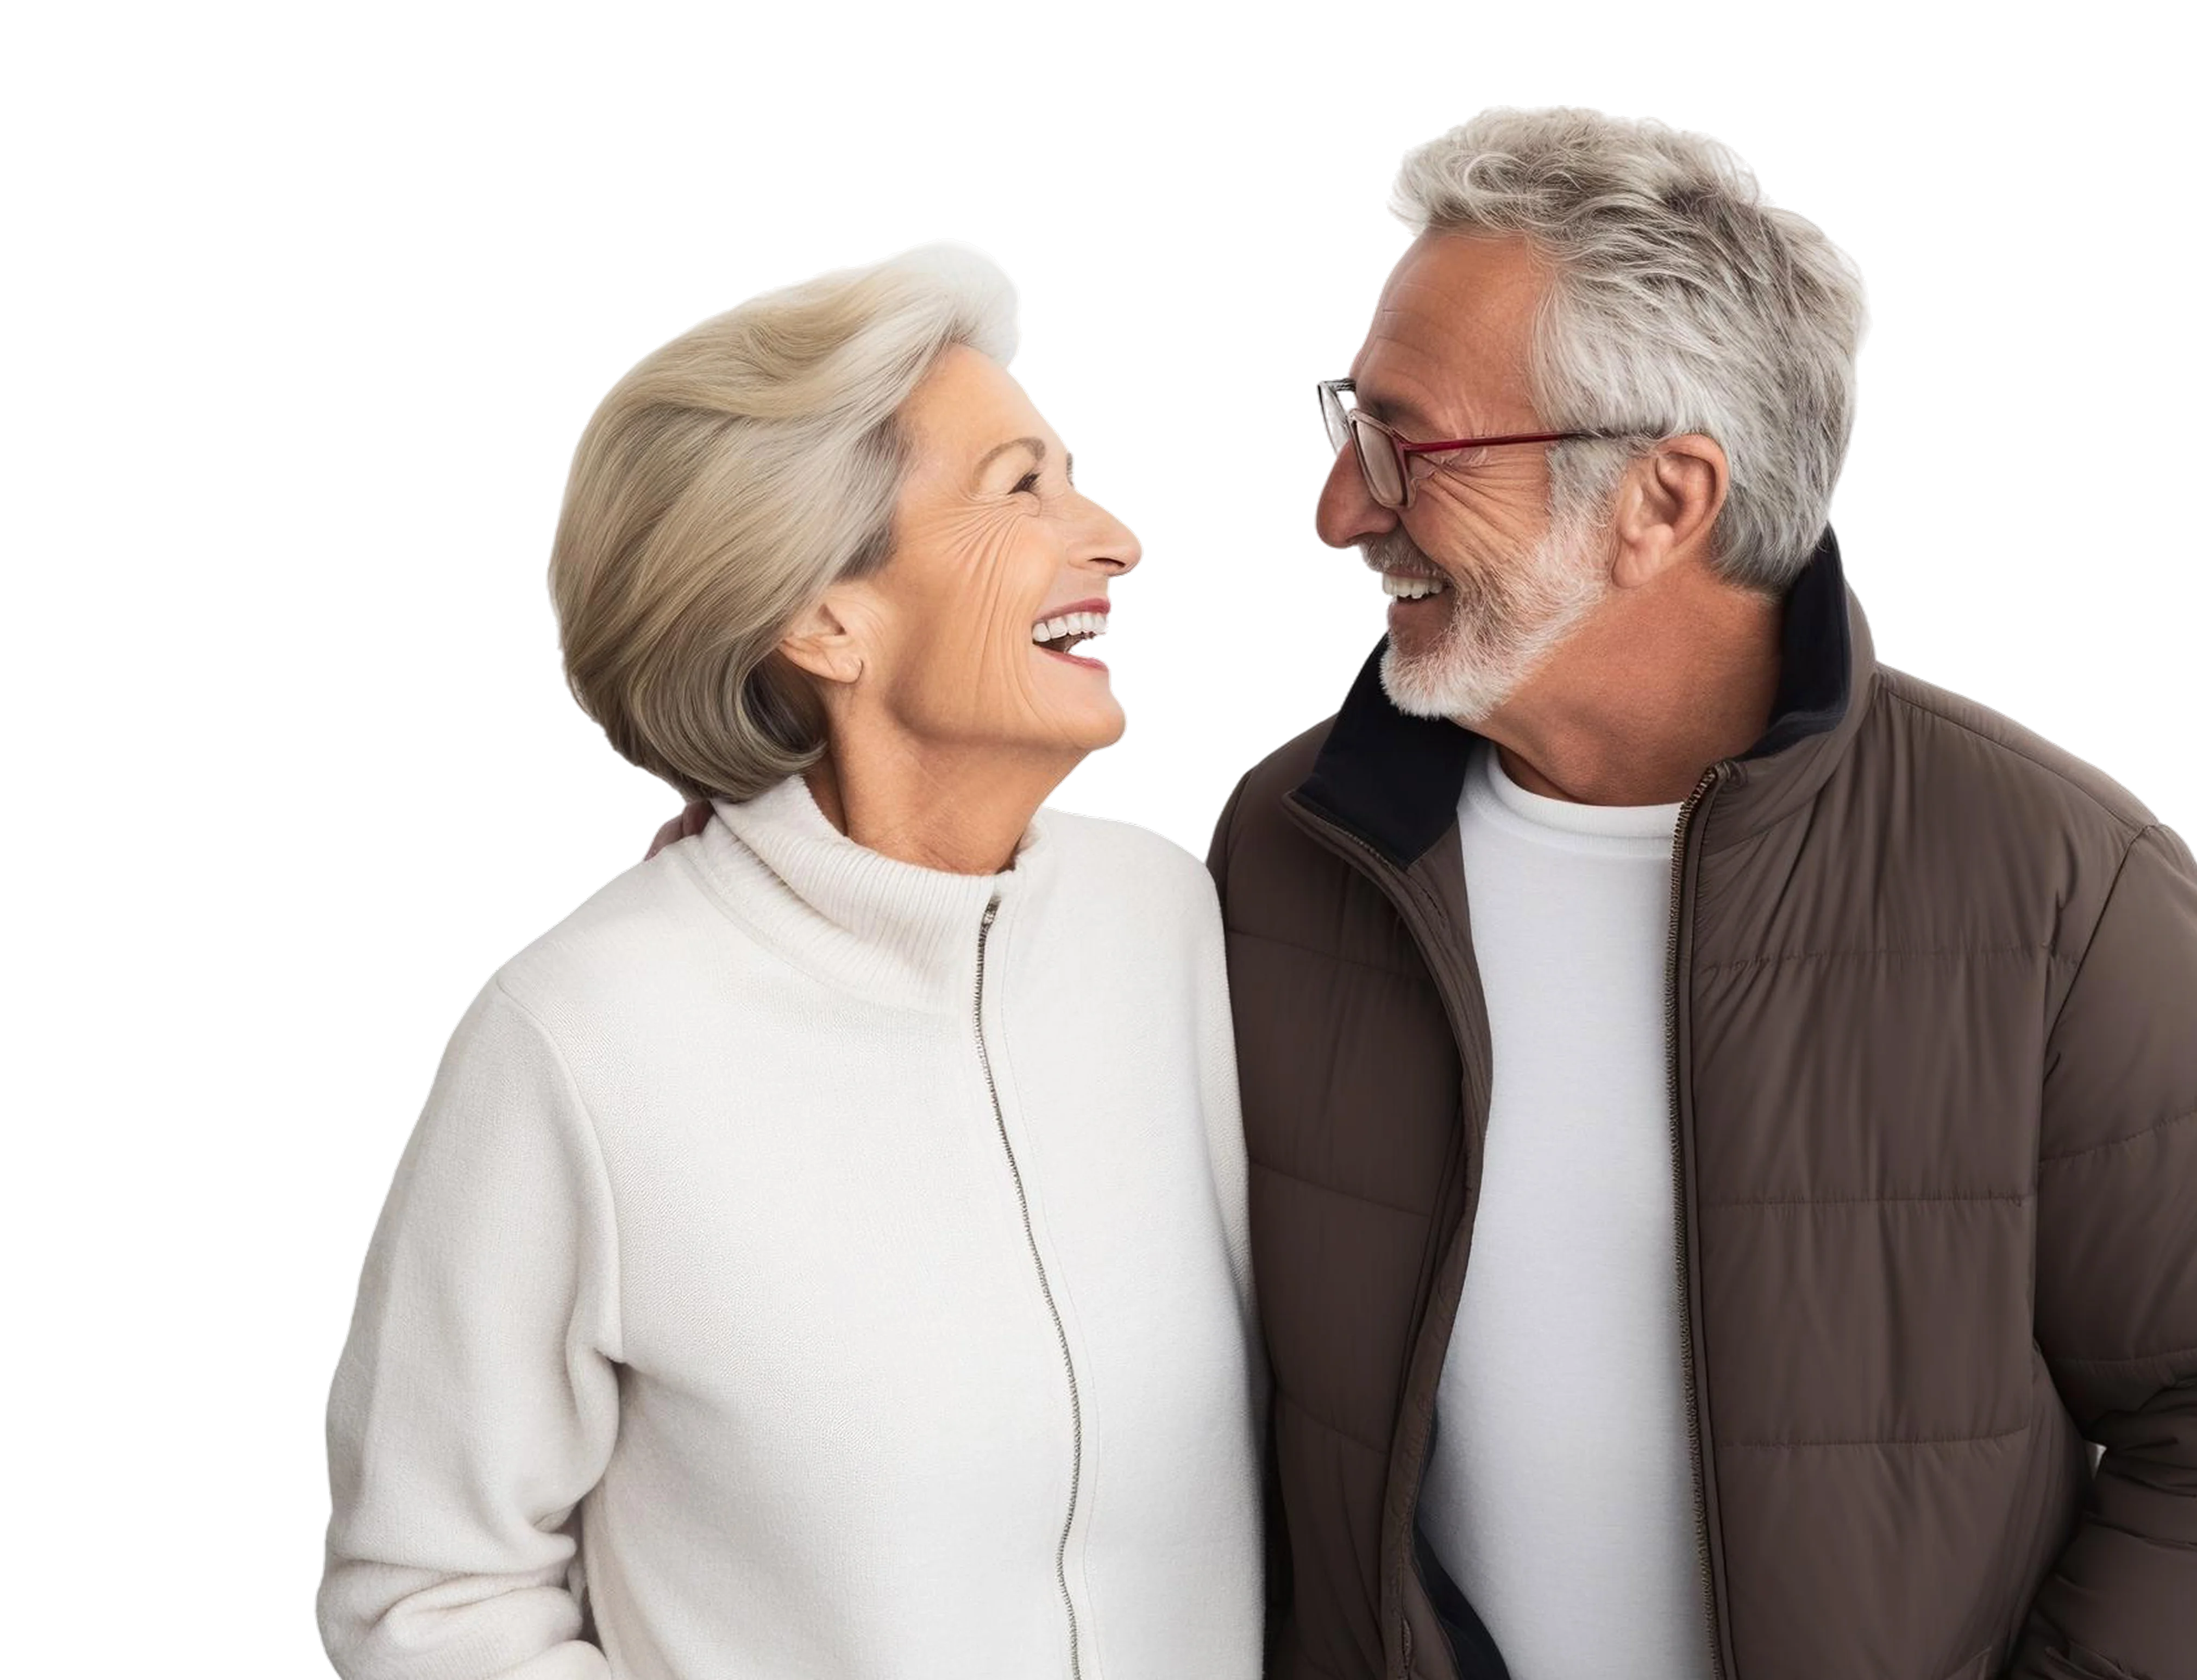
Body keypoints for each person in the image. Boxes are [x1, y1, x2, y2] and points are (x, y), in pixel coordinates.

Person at [1206, 106, 2195, 1680]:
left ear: (1662, 499)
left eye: (1411, 444)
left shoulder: (2063, 887)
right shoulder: (1288, 846)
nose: (1339, 506)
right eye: (1345, 421)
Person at [314, 238, 1265, 1680]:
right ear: (825, 616)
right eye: (1022, 486)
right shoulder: (584, 1034)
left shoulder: (1169, 918)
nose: (1115, 537)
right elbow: (431, 1603)